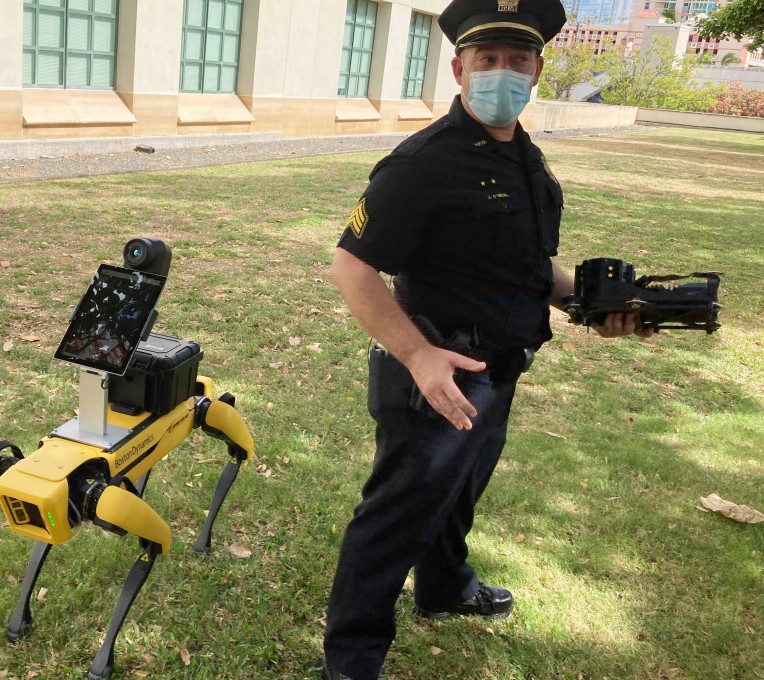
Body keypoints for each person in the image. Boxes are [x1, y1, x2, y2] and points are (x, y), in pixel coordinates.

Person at [321, 1, 653, 678]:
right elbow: (352, 263)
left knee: (457, 495)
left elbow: (528, 267)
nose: (503, 73)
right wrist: (416, 355)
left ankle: (445, 590)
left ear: (537, 69)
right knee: (392, 524)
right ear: (459, 68)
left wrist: (592, 303)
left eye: (517, 61)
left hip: (498, 371)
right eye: (487, 60)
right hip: (436, 376)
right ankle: (350, 663)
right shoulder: (422, 164)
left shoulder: (523, 156)